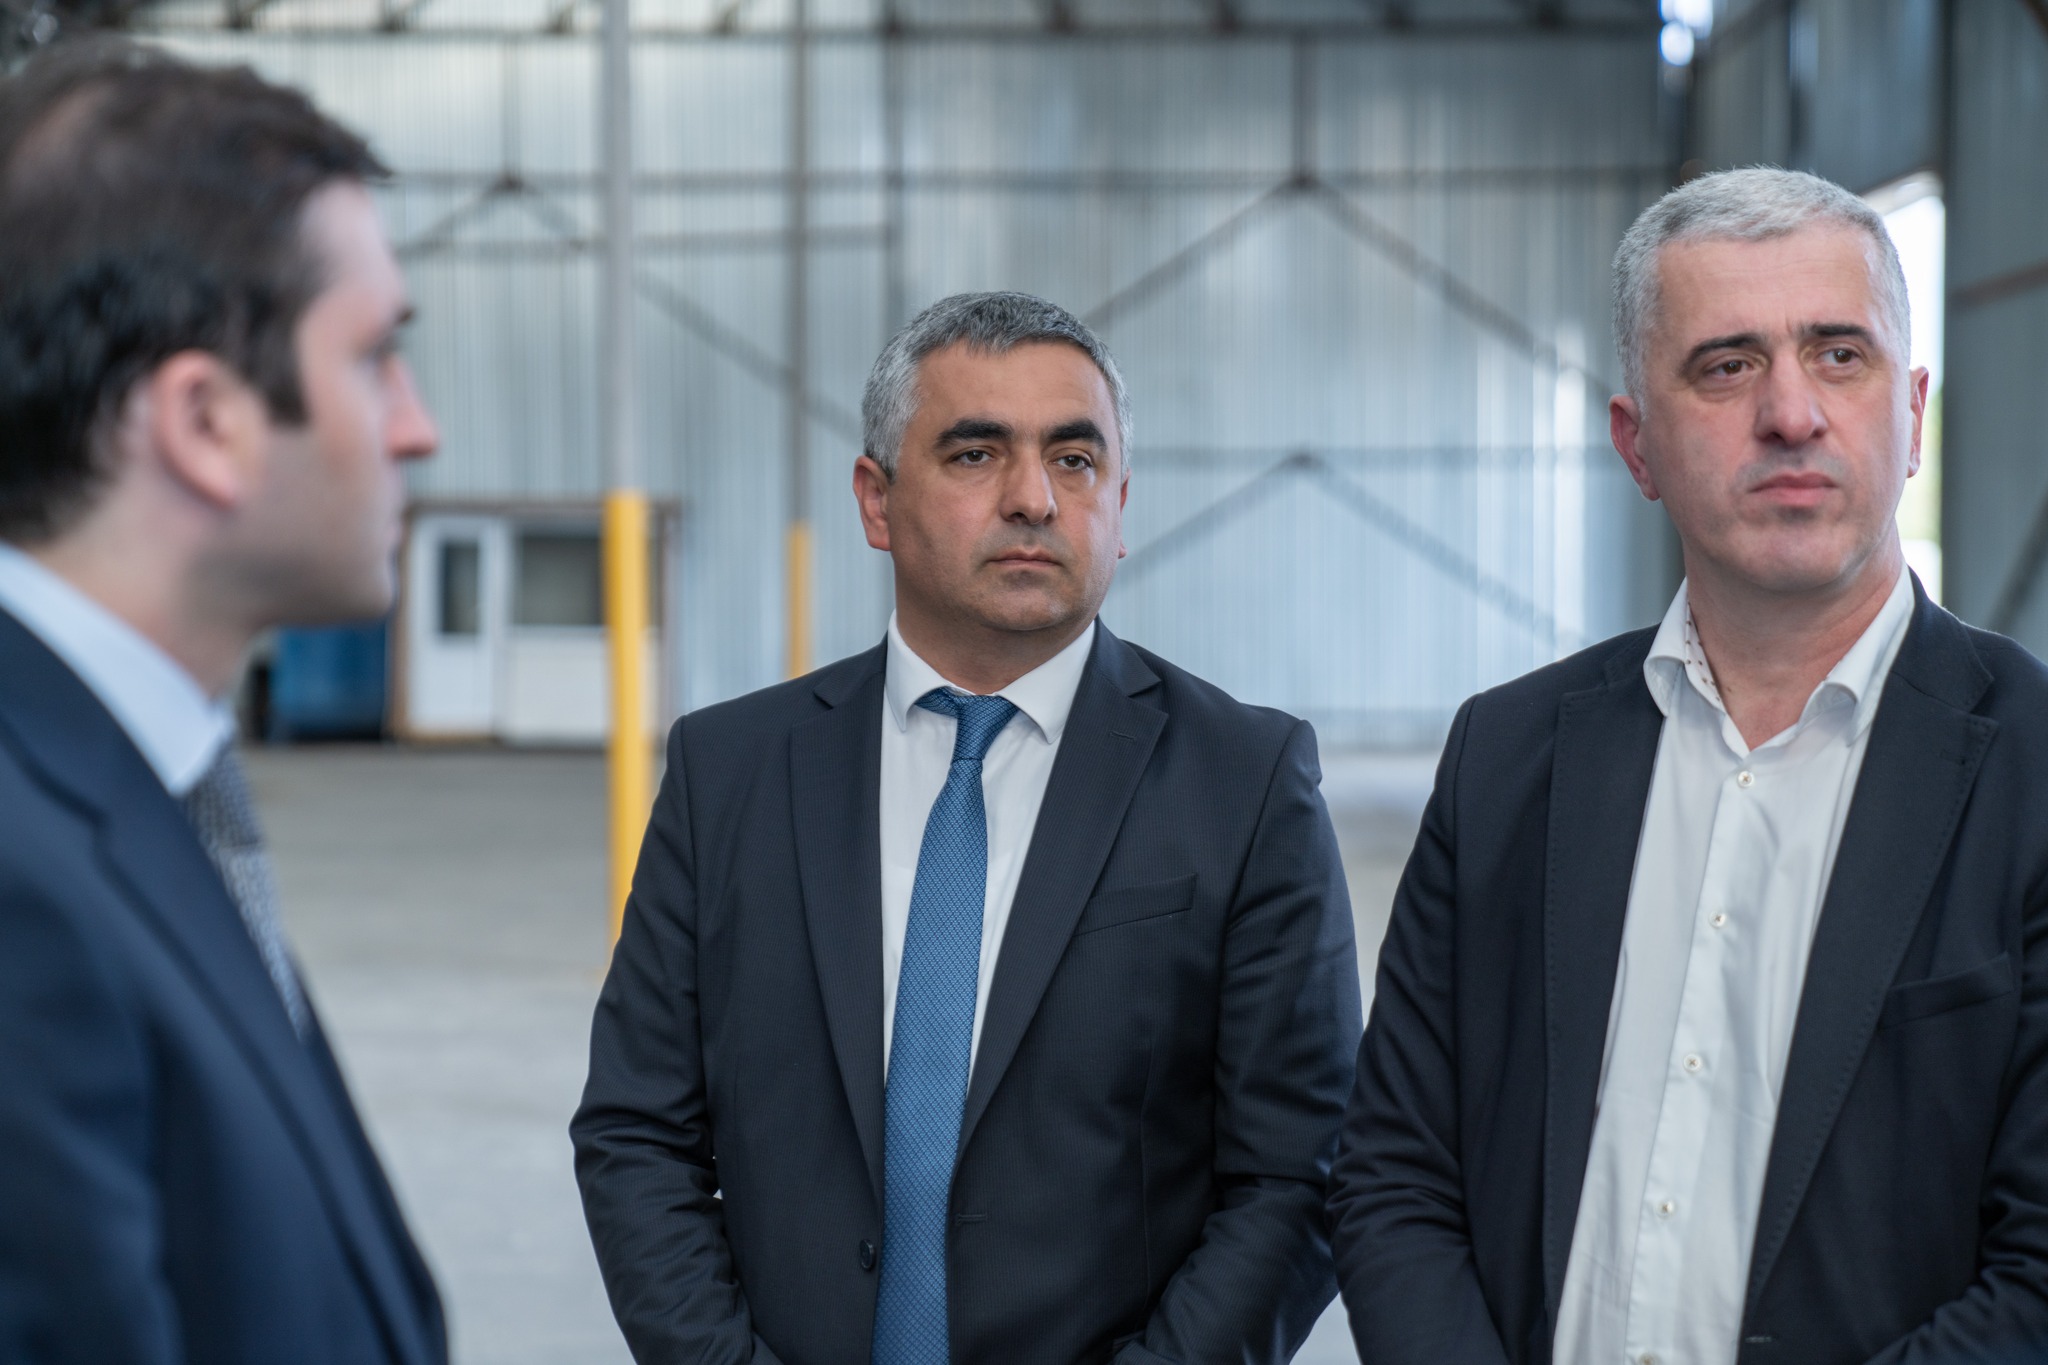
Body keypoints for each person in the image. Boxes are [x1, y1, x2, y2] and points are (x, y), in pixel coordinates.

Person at [1330, 165, 2048, 1363]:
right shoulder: (1505, 758)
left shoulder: (2029, 770)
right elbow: (1394, 1174)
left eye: (1837, 355)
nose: (1790, 413)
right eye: (1724, 366)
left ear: (1912, 412)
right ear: (1636, 444)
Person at [573, 291, 1362, 1365]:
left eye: (1074, 460)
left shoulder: (1244, 781)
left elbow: (1296, 1171)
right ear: (876, 500)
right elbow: (637, 1134)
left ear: (1120, 505)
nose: (1033, 498)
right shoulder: (732, 772)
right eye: (976, 454)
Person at [0, 41, 444, 1365]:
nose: (415, 427)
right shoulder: (21, 891)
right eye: (376, 357)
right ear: (204, 423)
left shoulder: (125, 783)